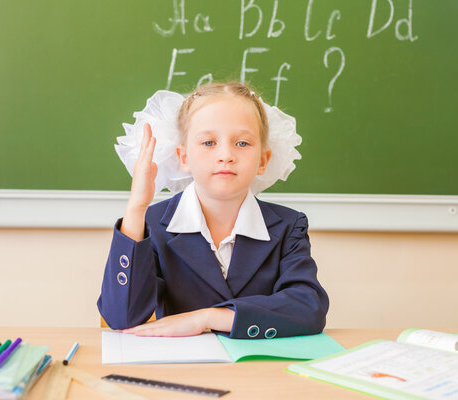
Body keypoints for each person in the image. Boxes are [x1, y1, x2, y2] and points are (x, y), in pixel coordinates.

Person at [97, 82, 329, 339]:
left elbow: (309, 308)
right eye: (208, 142)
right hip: (184, 371)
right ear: (184, 158)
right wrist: (136, 207)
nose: (226, 155)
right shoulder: (152, 224)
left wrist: (207, 317)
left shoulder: (288, 226)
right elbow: (120, 317)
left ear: (263, 160)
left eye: (242, 143)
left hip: (261, 372)